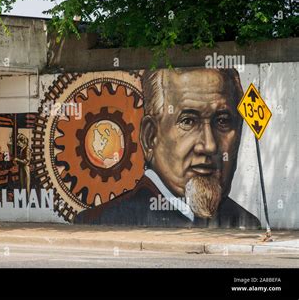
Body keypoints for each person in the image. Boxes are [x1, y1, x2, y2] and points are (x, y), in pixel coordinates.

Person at [74, 68, 261, 229]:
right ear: (150, 137)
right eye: (188, 121)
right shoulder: (101, 221)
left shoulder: (248, 223)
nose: (209, 145)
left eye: (222, 121)